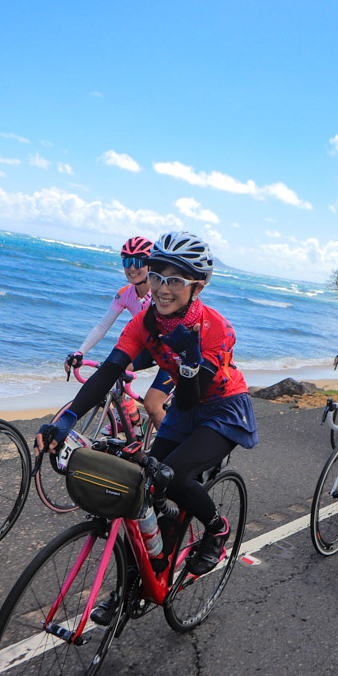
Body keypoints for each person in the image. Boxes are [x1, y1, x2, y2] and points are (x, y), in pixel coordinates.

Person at [37, 231, 257, 582]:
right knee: (146, 484)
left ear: (197, 288)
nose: (162, 289)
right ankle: (143, 579)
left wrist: (189, 359)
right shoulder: (143, 322)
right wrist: (65, 419)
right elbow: (108, 372)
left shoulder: (216, 329)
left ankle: (216, 528)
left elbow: (188, 399)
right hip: (187, 407)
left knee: (175, 475)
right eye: (156, 277)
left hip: (221, 408)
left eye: (175, 281)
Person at [65, 236, 172, 431]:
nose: (132, 268)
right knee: (112, 374)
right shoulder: (125, 293)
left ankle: (170, 454)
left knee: (153, 405)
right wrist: (80, 351)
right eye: (127, 261)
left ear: (151, 265)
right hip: (148, 350)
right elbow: (102, 326)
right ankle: (132, 421)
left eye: (138, 261)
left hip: (171, 352)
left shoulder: (161, 293)